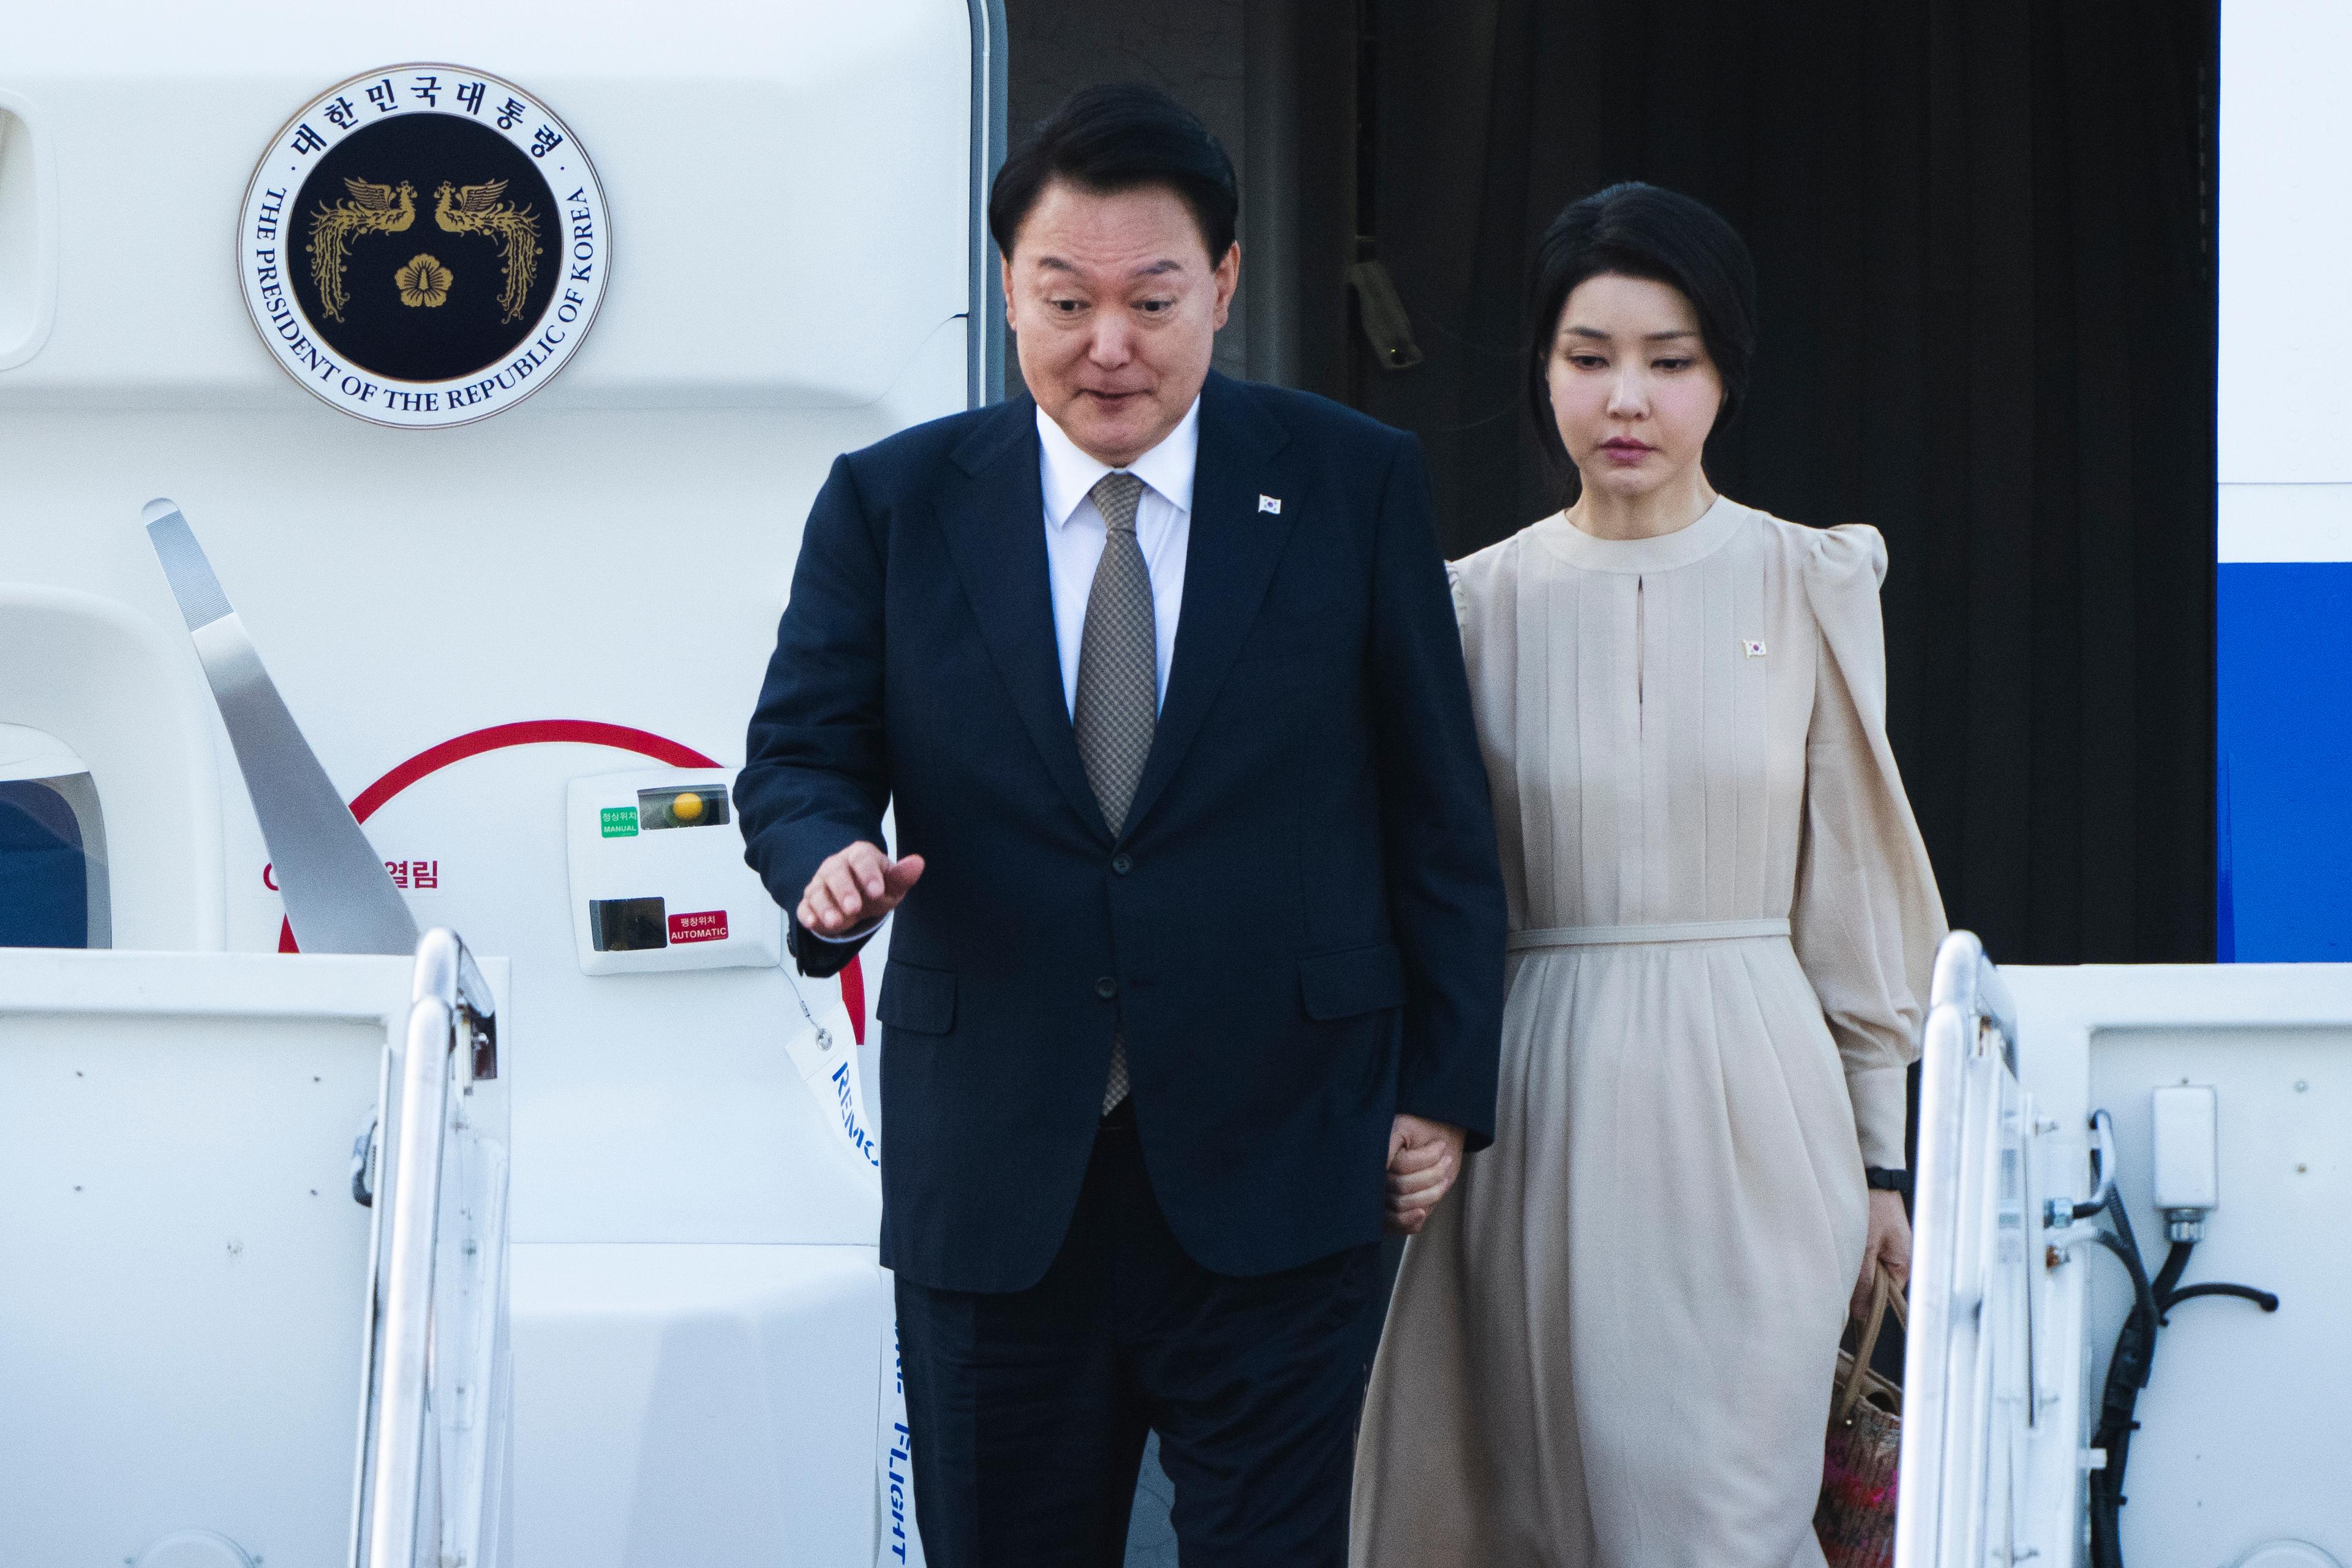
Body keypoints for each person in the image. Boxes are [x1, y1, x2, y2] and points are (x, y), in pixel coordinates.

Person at [734, 83, 1506, 1567]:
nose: (1109, 345)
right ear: (1007, 290)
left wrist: (1446, 1082)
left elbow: (1436, 808)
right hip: (999, 1174)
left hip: (1289, 1154)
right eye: (1064, 298)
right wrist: (821, 855)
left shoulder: (1349, 480)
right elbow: (799, 754)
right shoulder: (894, 505)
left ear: (1221, 285)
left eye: (1152, 299)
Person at [1350, 181, 1947, 1567]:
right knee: (1538, 1513)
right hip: (1532, 1096)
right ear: (1544, 369)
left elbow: (1851, 885)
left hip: (1761, 1099)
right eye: (1589, 355)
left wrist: (1880, 1160)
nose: (1628, 396)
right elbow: (1418, 878)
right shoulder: (1465, 602)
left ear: (1724, 373)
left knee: (1725, 1514)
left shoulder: (1810, 579)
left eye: (1669, 360)